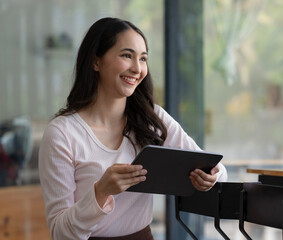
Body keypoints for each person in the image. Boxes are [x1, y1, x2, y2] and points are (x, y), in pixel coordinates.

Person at [38, 17, 227, 240]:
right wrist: (101, 192)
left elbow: (216, 168)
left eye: (143, 58)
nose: (137, 68)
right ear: (96, 62)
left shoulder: (152, 118)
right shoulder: (62, 134)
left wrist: (211, 176)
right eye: (127, 55)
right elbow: (60, 233)